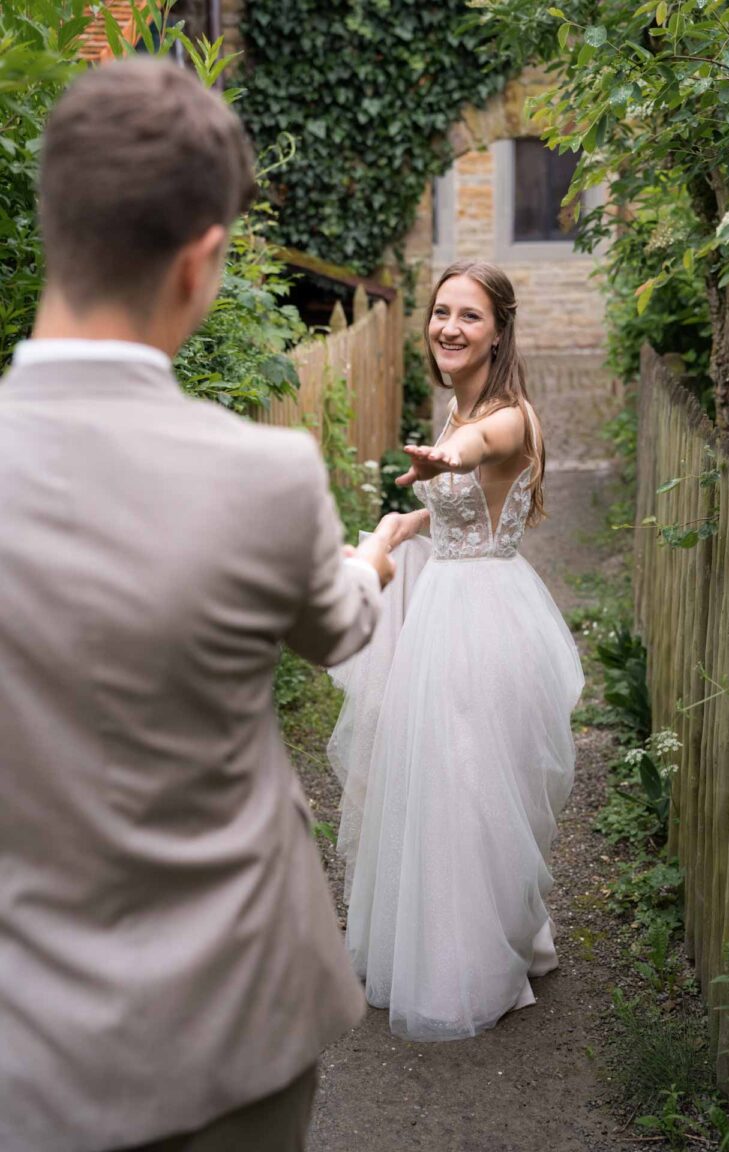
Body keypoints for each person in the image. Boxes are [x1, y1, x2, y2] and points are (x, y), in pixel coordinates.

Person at [0, 58, 396, 1152]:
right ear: (203, 260)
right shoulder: (264, 480)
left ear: (55, 221)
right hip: (236, 1027)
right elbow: (341, 626)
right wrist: (371, 560)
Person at [328, 260, 585, 1042]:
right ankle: (460, 935)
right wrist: (403, 525)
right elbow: (461, 511)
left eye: (468, 316)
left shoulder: (504, 417)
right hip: (449, 601)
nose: (448, 327)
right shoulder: (455, 405)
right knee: (440, 778)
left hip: (481, 621)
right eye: (441, 312)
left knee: (472, 784)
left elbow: (480, 450)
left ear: (499, 330)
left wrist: (451, 457)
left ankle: (466, 968)